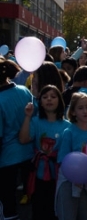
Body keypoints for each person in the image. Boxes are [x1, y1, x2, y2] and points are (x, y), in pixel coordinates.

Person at [19, 85, 71, 220]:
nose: (49, 99)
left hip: (59, 174)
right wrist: (27, 116)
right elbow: (24, 139)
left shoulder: (67, 126)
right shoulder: (35, 121)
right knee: (38, 209)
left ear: (60, 100)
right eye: (45, 97)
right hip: (38, 174)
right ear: (40, 101)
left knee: (56, 210)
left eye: (53, 97)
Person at [55, 92, 87, 220]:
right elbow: (62, 159)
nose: (85, 111)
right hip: (69, 183)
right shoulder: (69, 132)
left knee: (84, 215)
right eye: (80, 108)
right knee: (68, 214)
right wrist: (75, 176)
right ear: (73, 112)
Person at [0, 57, 34, 220]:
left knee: (9, 203)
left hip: (7, 157)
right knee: (30, 199)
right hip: (29, 152)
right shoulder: (24, 90)